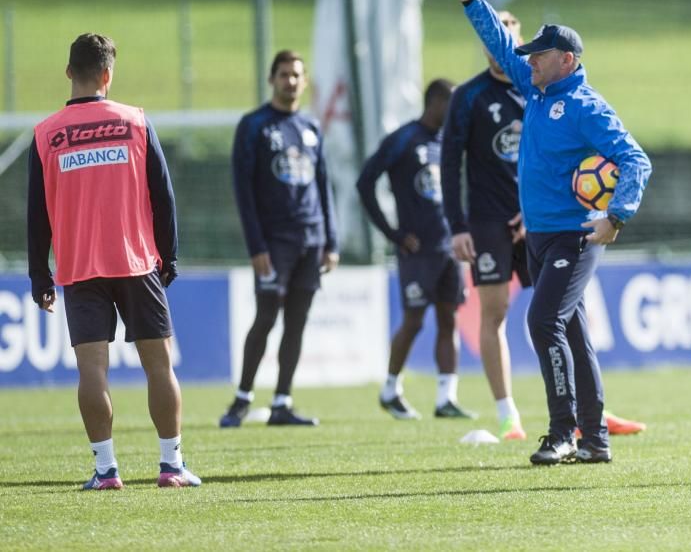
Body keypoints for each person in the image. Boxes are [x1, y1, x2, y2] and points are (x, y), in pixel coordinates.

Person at [446, 0, 652, 465]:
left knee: (543, 323)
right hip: (538, 237)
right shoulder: (536, 91)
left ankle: (562, 432)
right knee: (574, 335)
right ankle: (596, 440)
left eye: (538, 54)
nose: (528, 58)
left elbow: (636, 160)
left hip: (573, 237)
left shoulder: (585, 106)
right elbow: (498, 41)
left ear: (567, 61)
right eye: (530, 54)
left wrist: (617, 215)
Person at [27, 33, 200, 489]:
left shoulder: (45, 134)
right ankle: (171, 466)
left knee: (92, 371)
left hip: (80, 268)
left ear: (69, 73)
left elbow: (36, 212)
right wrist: (169, 256)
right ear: (108, 75)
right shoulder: (135, 122)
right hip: (136, 261)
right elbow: (163, 197)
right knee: (159, 367)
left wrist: (38, 274)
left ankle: (106, 470)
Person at [219, 50, 340, 428]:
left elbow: (323, 185)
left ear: (304, 82)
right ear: (272, 79)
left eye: (297, 75)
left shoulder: (310, 127)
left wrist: (331, 241)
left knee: (298, 321)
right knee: (267, 316)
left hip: (311, 238)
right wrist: (256, 245)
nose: (290, 81)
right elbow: (243, 189)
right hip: (274, 243)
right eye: (284, 74)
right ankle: (241, 399)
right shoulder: (254, 126)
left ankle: (283, 403)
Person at [357, 78, 475, 421]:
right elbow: (365, 182)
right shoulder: (403, 139)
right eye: (452, 104)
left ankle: (445, 398)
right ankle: (391, 389)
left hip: (449, 247)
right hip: (417, 250)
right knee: (413, 320)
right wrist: (392, 233)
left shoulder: (449, 143)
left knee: (448, 319)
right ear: (435, 102)